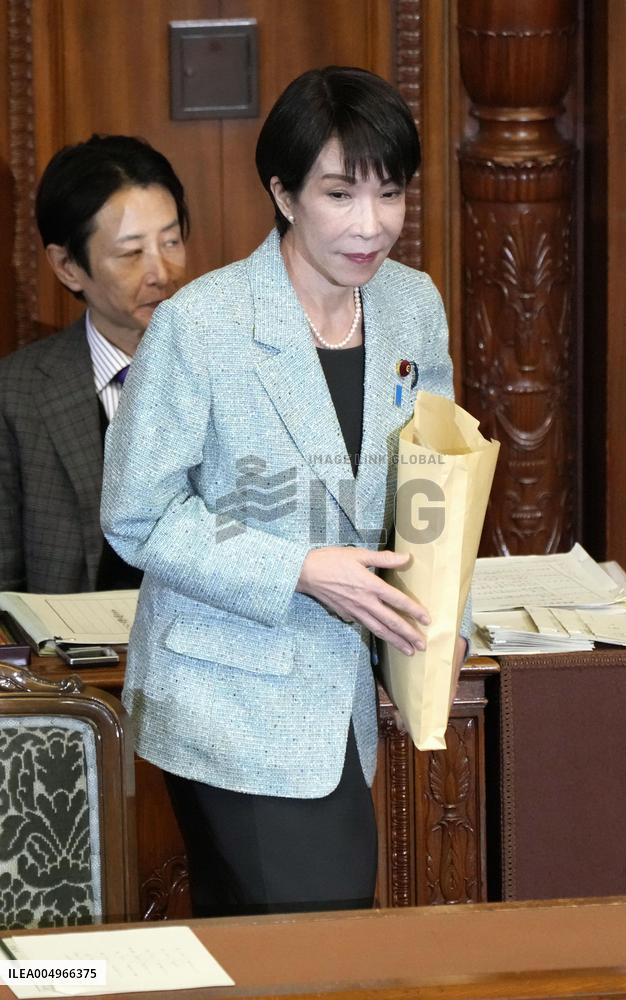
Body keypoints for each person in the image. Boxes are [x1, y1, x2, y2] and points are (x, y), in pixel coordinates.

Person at [101, 66, 470, 917]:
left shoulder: (412, 305)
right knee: (322, 937)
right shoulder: (205, 323)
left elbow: (435, 478)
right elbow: (137, 512)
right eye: (340, 194)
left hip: (342, 688)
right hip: (229, 690)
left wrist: (445, 616)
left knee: (269, 953)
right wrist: (300, 566)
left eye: (390, 194)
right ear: (283, 191)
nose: (370, 225)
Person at [0, 134, 189, 592]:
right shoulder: (16, 394)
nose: (161, 272)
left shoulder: (231, 369)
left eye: (171, 241)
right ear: (67, 266)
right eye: (130, 253)